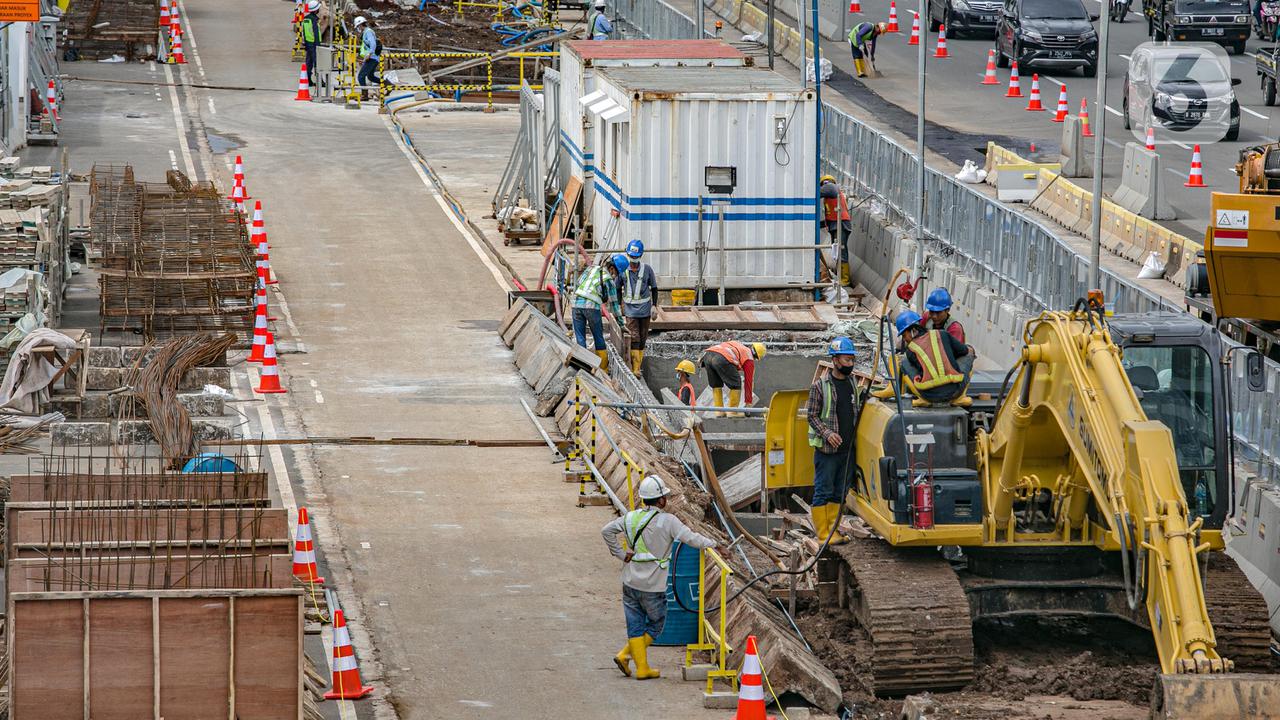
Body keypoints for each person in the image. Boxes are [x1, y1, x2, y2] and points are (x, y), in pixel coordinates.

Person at [601, 475, 720, 679]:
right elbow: (691, 538)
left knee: (635, 623)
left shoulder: (630, 518)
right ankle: (628, 657)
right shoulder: (668, 521)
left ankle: (640, 666)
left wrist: (621, 555)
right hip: (652, 585)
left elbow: (607, 531)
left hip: (629, 581)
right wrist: (715, 545)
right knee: (657, 623)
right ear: (661, 500)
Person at [806, 336, 862, 546]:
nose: (850, 364)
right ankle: (823, 535)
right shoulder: (821, 386)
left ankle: (833, 531)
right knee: (823, 490)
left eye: (852, 360)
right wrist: (828, 433)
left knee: (840, 492)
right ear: (835, 360)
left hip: (847, 450)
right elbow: (811, 415)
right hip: (828, 451)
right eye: (847, 360)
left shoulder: (852, 383)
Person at [885, 310, 974, 406]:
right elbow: (964, 351)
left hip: (929, 396)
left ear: (913, 330)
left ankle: (922, 399)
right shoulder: (942, 334)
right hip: (955, 392)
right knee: (970, 352)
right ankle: (959, 398)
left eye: (904, 335)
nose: (905, 339)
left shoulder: (911, 350)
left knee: (904, 361)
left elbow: (919, 371)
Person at [571, 254, 626, 372]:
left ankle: (582, 368)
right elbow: (614, 306)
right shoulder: (609, 280)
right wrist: (621, 324)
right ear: (612, 269)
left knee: (580, 337)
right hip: (591, 306)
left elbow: (579, 283)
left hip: (576, 303)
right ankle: (603, 370)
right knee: (598, 337)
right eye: (616, 273)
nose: (615, 276)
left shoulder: (591, 268)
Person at [620, 239, 659, 374]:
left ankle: (638, 364)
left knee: (642, 338)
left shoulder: (647, 269)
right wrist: (619, 306)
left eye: (636, 257)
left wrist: (654, 306)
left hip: (645, 311)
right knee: (634, 338)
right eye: (631, 256)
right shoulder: (623, 269)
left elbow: (654, 288)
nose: (633, 260)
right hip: (630, 311)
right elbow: (617, 287)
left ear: (640, 256)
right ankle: (635, 369)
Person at [699, 341, 766, 416]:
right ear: (757, 357)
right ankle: (732, 411)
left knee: (716, 384)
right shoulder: (749, 358)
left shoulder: (738, 345)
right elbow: (749, 382)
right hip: (721, 358)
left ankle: (719, 411)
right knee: (736, 383)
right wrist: (748, 403)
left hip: (707, 356)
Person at [819, 176, 852, 286]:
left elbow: (816, 192)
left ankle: (845, 280)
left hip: (841, 224)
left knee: (841, 251)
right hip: (836, 225)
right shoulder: (830, 196)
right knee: (838, 251)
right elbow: (830, 217)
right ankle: (841, 277)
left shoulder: (831, 188)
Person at [354, 16, 382, 101]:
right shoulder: (366, 32)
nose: (358, 28)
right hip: (373, 57)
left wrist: (369, 54)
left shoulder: (368, 32)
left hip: (372, 58)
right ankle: (388, 84)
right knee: (371, 77)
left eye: (358, 26)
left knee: (361, 76)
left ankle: (364, 95)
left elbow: (373, 44)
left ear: (360, 25)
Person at [300, 0, 321, 87]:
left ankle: (308, 79)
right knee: (317, 62)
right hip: (314, 44)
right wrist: (318, 45)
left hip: (308, 43)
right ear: (316, 10)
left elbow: (304, 32)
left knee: (309, 62)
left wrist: (304, 43)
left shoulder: (306, 19)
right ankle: (320, 81)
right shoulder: (314, 20)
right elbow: (315, 33)